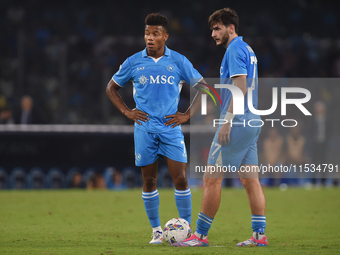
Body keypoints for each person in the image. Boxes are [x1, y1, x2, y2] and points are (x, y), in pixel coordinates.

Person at [106, 13, 206, 244]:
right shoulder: (133, 62)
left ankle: (186, 230)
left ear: (165, 36)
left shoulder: (179, 61)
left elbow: (204, 88)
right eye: (147, 33)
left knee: (180, 179)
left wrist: (187, 114)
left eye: (155, 34)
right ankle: (157, 231)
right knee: (149, 181)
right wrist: (127, 112)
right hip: (144, 129)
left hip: (171, 129)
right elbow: (111, 88)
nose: (149, 38)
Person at [174, 8, 267, 247]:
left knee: (211, 178)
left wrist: (226, 121)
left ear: (231, 28)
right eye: (212, 29)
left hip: (237, 121)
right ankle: (259, 236)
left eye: (217, 28)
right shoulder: (247, 48)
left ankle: (200, 236)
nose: (213, 34)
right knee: (250, 180)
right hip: (252, 120)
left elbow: (241, 87)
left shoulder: (235, 49)